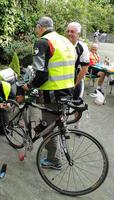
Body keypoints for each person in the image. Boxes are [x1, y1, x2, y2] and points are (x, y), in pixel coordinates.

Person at [22, 16, 76, 170]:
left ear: (40, 27)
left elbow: (41, 74)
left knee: (48, 126)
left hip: (52, 91)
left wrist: (29, 85)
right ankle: (51, 149)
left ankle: (54, 160)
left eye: (36, 28)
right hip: (68, 90)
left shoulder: (43, 42)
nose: (36, 31)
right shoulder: (66, 41)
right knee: (57, 123)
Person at [66, 22, 90, 128]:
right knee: (63, 103)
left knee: (77, 103)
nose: (69, 34)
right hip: (63, 77)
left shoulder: (82, 47)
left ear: (78, 34)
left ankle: (77, 123)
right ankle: (63, 124)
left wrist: (75, 84)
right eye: (68, 31)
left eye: (72, 32)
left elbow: (84, 68)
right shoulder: (62, 43)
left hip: (77, 76)